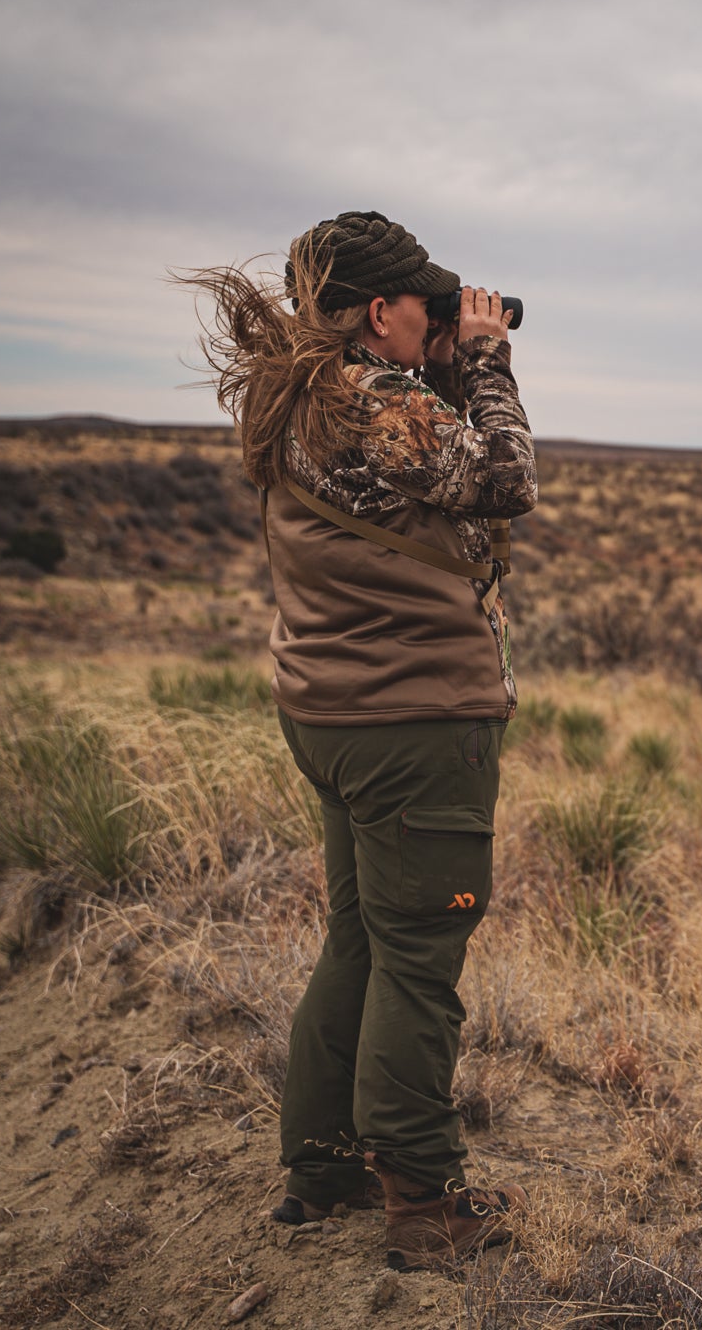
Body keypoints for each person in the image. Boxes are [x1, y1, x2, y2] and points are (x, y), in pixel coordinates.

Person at [180, 211, 535, 1271]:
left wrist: (446, 355)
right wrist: (486, 362)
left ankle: (322, 1166)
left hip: (327, 711)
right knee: (419, 959)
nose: (443, 322)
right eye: (426, 307)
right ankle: (425, 1207)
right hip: (412, 720)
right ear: (380, 313)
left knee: (361, 943)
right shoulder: (381, 402)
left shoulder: (294, 395)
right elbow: (505, 480)